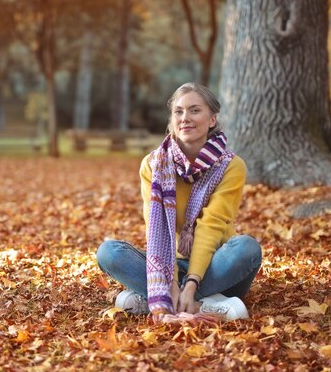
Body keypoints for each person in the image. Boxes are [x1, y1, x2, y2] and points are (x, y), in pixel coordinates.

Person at [96, 82, 262, 321]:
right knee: (109, 252)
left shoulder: (231, 166)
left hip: (218, 266)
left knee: (247, 248)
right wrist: (172, 282)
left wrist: (191, 283)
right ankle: (207, 303)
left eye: (195, 110)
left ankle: (157, 299)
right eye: (179, 111)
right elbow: (157, 230)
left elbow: (211, 224)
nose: (185, 118)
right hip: (170, 264)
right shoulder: (153, 164)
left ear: (212, 119)